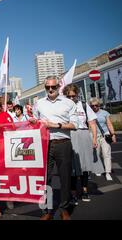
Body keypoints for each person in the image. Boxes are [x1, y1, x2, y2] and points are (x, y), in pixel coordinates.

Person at [31, 76, 78, 220]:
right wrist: (33, 122)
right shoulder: (38, 103)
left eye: (53, 87)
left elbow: (74, 125)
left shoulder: (69, 103)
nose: (50, 89)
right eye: (47, 87)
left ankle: (64, 209)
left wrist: (56, 125)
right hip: (45, 144)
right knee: (46, 179)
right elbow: (35, 122)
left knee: (65, 178)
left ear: (59, 87)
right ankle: (48, 211)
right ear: (45, 88)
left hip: (63, 143)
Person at [63, 84, 104, 204]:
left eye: (73, 96)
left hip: (84, 135)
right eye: (68, 96)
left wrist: (94, 139)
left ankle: (85, 190)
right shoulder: (63, 107)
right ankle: (73, 193)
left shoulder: (84, 105)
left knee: (85, 167)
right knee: (73, 168)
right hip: (70, 136)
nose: (71, 98)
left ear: (77, 95)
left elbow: (92, 123)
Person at [90, 97, 117, 181]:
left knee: (106, 154)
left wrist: (113, 134)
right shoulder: (89, 114)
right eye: (92, 106)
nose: (94, 107)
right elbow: (88, 126)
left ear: (99, 105)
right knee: (96, 154)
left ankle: (108, 172)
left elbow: (109, 124)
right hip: (94, 136)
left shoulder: (105, 113)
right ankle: (98, 169)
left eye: (96, 105)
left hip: (105, 135)